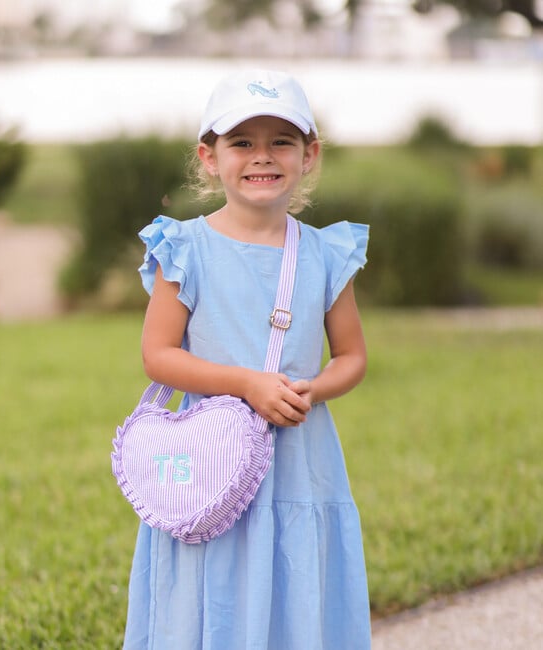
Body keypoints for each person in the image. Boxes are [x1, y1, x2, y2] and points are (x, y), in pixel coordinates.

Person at [122, 68, 371, 649]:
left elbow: (353, 356)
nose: (262, 156)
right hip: (212, 459)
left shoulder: (326, 254)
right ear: (209, 157)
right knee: (214, 587)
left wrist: (314, 388)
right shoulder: (184, 249)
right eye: (242, 142)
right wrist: (245, 384)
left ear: (309, 155)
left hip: (299, 462)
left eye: (280, 141)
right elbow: (158, 356)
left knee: (292, 585)